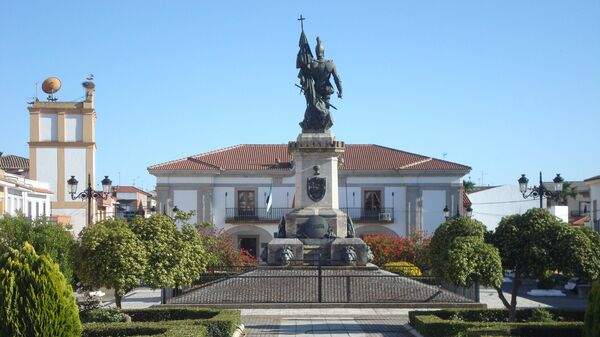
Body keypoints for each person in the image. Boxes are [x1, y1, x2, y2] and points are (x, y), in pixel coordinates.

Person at [297, 33, 343, 132]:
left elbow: (305, 73)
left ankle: (316, 126)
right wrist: (341, 91)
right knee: (324, 109)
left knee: (313, 108)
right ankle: (321, 127)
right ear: (323, 51)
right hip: (326, 90)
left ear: (316, 51)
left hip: (315, 90)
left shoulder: (313, 64)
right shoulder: (330, 64)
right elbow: (337, 79)